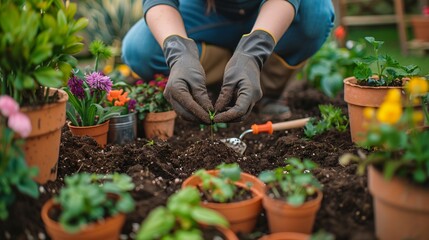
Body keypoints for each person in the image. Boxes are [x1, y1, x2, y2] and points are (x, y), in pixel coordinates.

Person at [122, 0, 335, 124]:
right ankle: (222, 85)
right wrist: (178, 54)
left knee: (315, 16)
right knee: (140, 49)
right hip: (207, 12)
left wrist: (253, 52)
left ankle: (267, 92)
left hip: (270, 7)